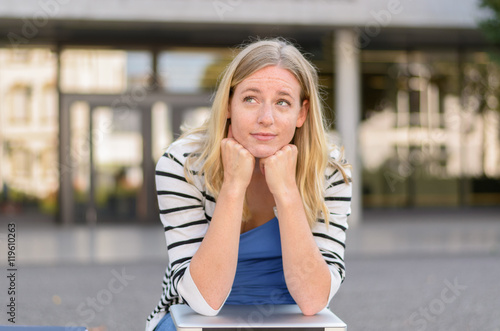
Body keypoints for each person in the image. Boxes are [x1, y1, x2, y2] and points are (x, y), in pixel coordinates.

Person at [146, 38, 352, 331]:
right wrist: (233, 186)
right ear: (229, 104)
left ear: (302, 113)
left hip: (292, 319)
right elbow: (204, 301)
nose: (265, 119)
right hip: (192, 319)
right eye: (250, 99)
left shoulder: (329, 171)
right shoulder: (183, 164)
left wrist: (287, 192)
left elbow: (313, 299)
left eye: (282, 102)